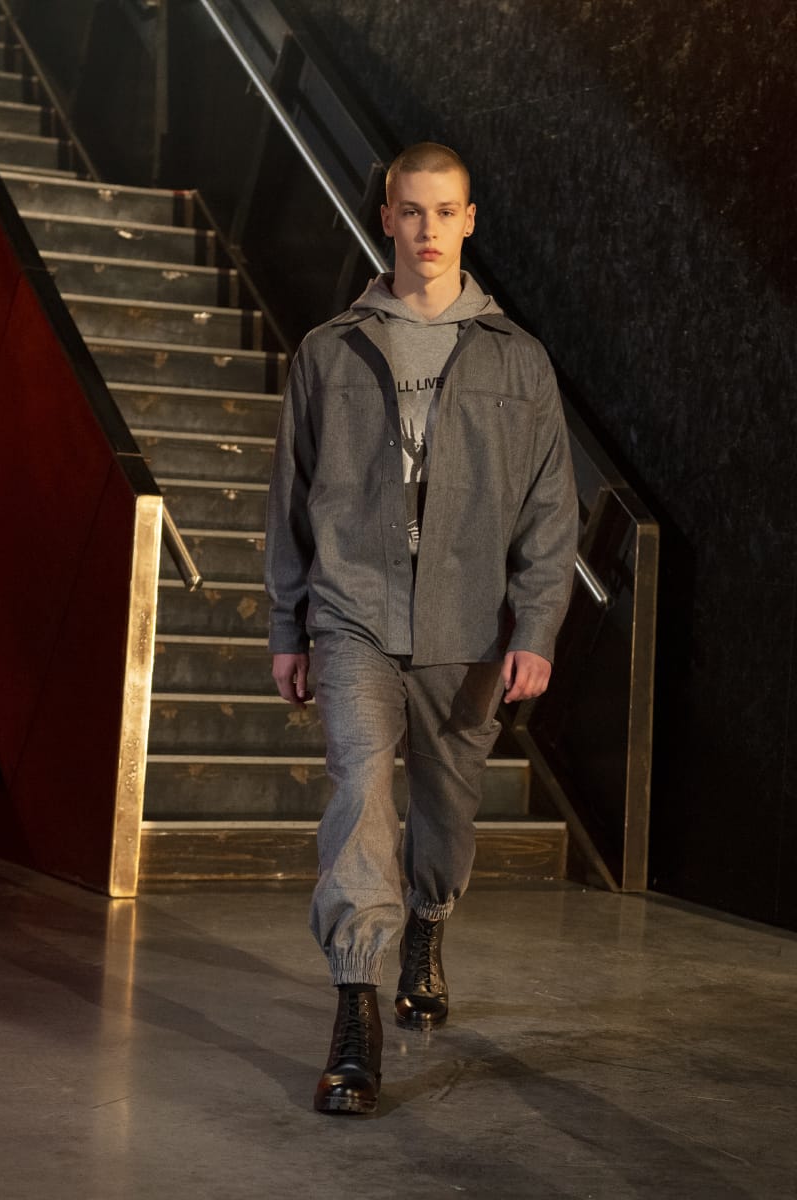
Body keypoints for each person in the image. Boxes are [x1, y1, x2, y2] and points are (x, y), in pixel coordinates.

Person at [264, 142, 579, 1116]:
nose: (427, 230)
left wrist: (535, 626)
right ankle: (355, 1012)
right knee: (361, 787)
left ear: (468, 220)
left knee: (446, 807)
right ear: (387, 218)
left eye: (445, 212)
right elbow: (291, 498)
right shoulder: (329, 350)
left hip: (468, 625)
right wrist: (288, 624)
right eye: (411, 211)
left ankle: (428, 920)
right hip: (353, 611)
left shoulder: (518, 359)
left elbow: (549, 510)